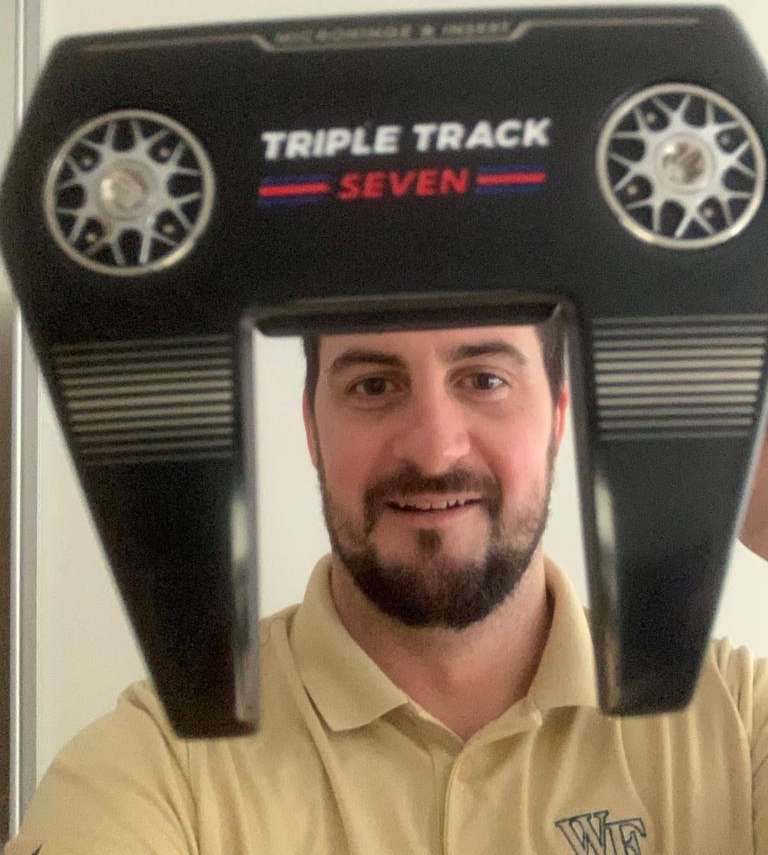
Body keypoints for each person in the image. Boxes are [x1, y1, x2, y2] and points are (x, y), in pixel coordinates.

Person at [6, 320, 768, 854]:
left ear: (559, 419)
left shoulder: (739, 721)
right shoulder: (159, 763)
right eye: (373, 385)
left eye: (485, 380)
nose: (434, 449)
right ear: (312, 429)